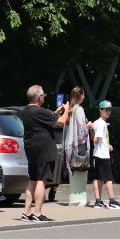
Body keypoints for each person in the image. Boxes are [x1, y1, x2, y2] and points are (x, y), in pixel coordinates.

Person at [20, 84, 69, 222]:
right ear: (38, 97)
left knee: (32, 180)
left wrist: (55, 113)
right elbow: (62, 122)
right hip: (43, 149)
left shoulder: (25, 111)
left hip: (31, 149)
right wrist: (67, 109)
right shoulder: (40, 111)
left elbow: (44, 120)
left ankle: (26, 212)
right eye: (42, 96)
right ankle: (37, 212)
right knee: (42, 180)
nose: (43, 98)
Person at [90, 101, 120, 209]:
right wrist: (91, 131)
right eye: (106, 110)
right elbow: (96, 140)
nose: (108, 112)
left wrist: (107, 145)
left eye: (110, 110)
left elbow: (100, 140)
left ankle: (98, 201)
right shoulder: (100, 123)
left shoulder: (100, 123)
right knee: (108, 178)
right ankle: (112, 200)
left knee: (99, 178)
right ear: (100, 110)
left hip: (100, 154)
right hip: (102, 155)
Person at [62, 87, 91, 206]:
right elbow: (81, 128)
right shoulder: (79, 110)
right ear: (81, 95)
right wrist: (89, 125)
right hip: (79, 145)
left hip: (70, 144)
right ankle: (81, 198)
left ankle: (73, 199)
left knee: (73, 173)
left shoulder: (71, 109)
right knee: (81, 170)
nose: (84, 96)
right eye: (83, 94)